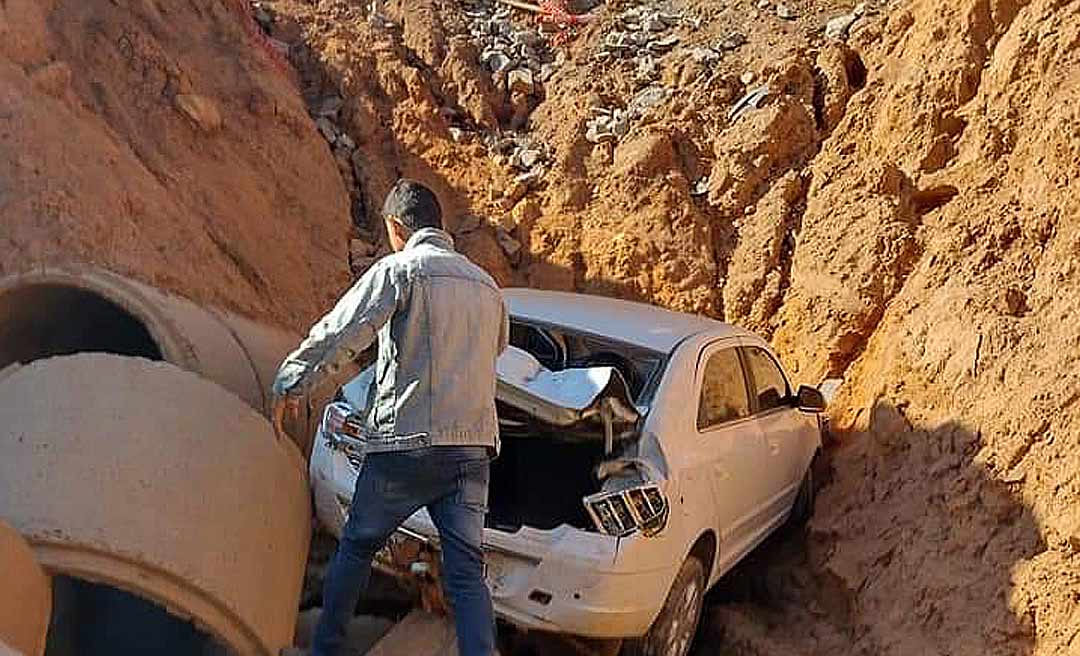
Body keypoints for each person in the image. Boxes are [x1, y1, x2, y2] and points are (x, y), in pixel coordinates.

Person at [271, 179, 508, 656]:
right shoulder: (487, 287)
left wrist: (291, 382)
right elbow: (497, 349)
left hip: (405, 448)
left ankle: (326, 650)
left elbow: (342, 332)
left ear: (397, 227)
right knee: (466, 573)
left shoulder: (401, 270)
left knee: (358, 546)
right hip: (471, 452)